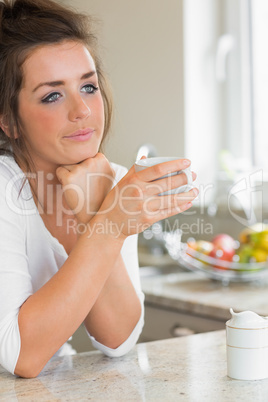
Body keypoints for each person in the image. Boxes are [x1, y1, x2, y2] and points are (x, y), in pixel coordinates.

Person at [0, 0, 198, 378]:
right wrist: (109, 223)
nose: (83, 111)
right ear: (10, 121)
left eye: (88, 86)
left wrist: (97, 215)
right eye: (52, 95)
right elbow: (21, 355)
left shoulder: (111, 181)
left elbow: (118, 339)